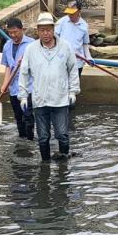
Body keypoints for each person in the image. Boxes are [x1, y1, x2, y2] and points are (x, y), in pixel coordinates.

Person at [17, 12, 80, 162]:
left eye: (48, 30)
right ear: (38, 31)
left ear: (53, 29)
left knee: (62, 134)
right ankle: (45, 165)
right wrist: (23, 96)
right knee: (43, 136)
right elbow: (24, 73)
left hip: (60, 99)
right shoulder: (31, 49)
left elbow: (73, 70)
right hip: (40, 99)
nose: (45, 33)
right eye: (42, 30)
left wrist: (73, 92)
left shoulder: (65, 47)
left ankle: (64, 163)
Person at [0, 17, 35, 140]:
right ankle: (22, 141)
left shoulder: (31, 44)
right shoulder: (7, 46)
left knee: (28, 116)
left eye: (15, 32)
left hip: (28, 88)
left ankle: (30, 141)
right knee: (18, 117)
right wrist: (5, 84)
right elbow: (8, 67)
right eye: (10, 33)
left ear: (22, 29)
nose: (13, 35)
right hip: (14, 88)